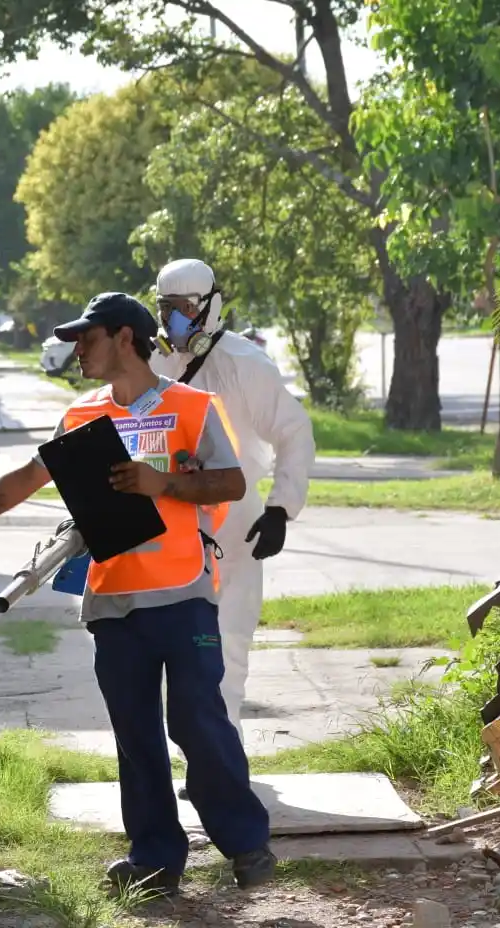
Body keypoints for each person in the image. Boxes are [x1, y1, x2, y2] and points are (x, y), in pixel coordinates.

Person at [0, 292, 277, 898]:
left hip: (184, 595)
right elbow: (24, 481)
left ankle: (246, 843)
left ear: (125, 339)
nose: (77, 349)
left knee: (198, 721)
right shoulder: (81, 416)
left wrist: (163, 483)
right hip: (111, 604)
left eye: (88, 338)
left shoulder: (190, 407)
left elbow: (232, 482)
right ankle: (155, 860)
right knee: (136, 739)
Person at [149, 258, 315, 747]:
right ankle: (197, 754)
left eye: (183, 308)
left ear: (211, 306)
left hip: (233, 522)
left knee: (227, 642)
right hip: (169, 521)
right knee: (173, 649)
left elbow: (294, 431)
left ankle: (222, 755)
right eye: (164, 308)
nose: (172, 320)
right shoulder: (154, 365)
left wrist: (281, 508)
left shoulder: (244, 364)